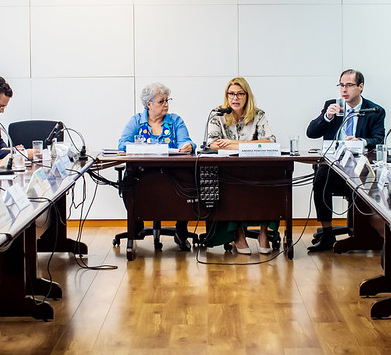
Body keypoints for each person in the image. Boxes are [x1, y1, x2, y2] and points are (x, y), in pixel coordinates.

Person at [306, 69, 385, 252]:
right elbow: (311, 133)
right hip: (333, 165)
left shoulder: (375, 111)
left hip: (359, 165)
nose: (344, 89)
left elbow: (379, 139)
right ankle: (327, 234)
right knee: (320, 180)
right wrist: (327, 117)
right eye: (341, 85)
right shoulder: (333, 105)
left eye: (349, 85)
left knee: (365, 184)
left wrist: (361, 141)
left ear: (360, 86)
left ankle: (361, 234)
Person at [118, 82, 195, 251]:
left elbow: (185, 141)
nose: (166, 104)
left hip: (173, 173)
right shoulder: (136, 121)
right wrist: (140, 148)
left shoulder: (175, 121)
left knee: (189, 179)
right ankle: (137, 224)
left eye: (167, 100)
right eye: (162, 101)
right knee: (128, 182)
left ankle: (181, 229)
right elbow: (122, 144)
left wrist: (188, 146)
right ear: (149, 104)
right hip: (143, 173)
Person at [206, 77, 277, 254]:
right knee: (230, 186)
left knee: (269, 182)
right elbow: (212, 143)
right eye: (231, 94)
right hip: (228, 169)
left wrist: (235, 144)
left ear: (247, 96)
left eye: (240, 94)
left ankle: (263, 233)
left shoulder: (258, 115)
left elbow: (270, 141)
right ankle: (237, 234)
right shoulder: (217, 114)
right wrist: (249, 145)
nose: (235, 98)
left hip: (254, 168)